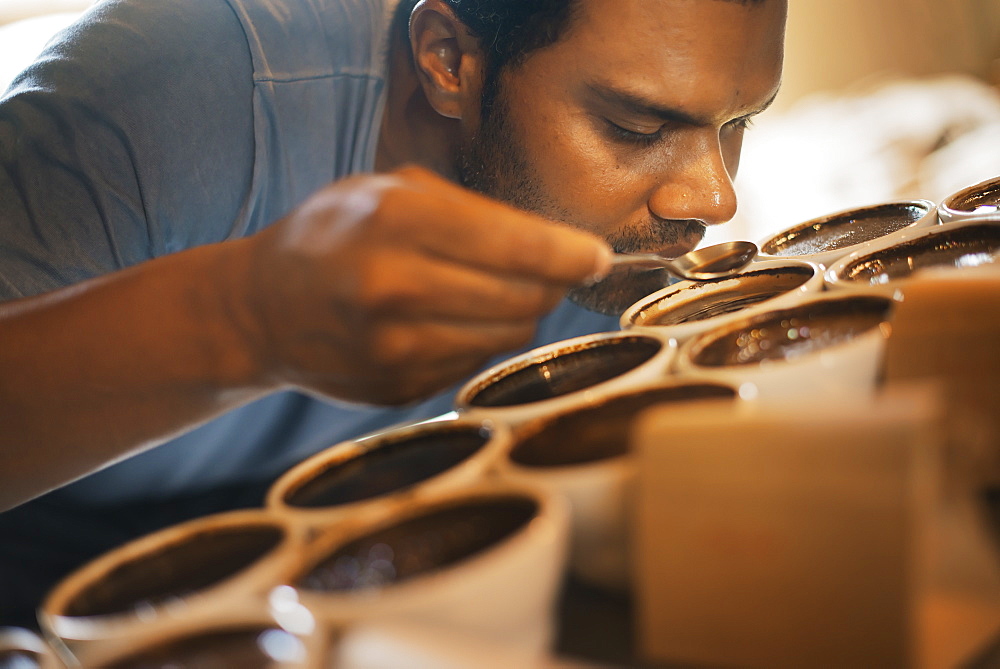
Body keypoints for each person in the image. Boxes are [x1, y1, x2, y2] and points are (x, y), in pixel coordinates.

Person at [0, 0, 785, 627]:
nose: (715, 200)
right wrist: (245, 317)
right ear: (448, 59)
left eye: (738, 123)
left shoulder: (623, 254)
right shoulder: (164, 89)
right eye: (637, 128)